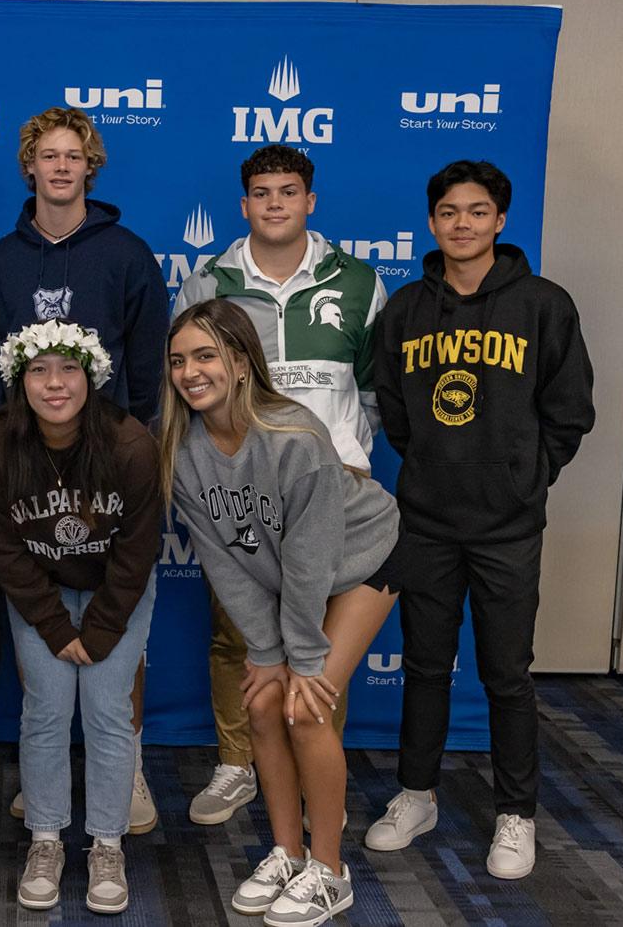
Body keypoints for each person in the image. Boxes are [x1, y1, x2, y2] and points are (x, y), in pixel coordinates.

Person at [365, 160, 594, 880]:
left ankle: (516, 813)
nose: (462, 223)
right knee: (426, 665)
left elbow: (570, 411)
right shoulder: (404, 311)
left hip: (508, 526)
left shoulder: (543, 305)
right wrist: (435, 467)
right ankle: (416, 793)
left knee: (506, 672)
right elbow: (394, 413)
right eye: (448, 212)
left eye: (477, 210)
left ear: (500, 219)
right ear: (431, 223)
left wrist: (524, 477)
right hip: (428, 520)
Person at [162, 299, 401, 926]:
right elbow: (224, 564)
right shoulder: (185, 453)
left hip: (363, 560)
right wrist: (265, 656)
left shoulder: (294, 436)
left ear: (241, 363)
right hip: (288, 578)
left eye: (206, 355)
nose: (191, 371)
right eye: (179, 359)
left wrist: (297, 658)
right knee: (261, 703)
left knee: (304, 704)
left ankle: (330, 871)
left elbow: (311, 560)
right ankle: (287, 853)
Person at [173, 144, 387, 826]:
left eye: (287, 191)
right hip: (240, 488)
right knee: (239, 630)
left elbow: (376, 388)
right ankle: (238, 766)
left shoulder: (356, 280)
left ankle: (314, 766)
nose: (274, 203)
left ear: (309, 200)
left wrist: (344, 454)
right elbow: (188, 380)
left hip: (330, 485)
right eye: (261, 192)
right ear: (244, 205)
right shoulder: (210, 278)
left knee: (317, 643)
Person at [0, 106, 169, 830]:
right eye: (47, 155)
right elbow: (1, 367)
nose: (60, 167)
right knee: (38, 626)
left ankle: (131, 766)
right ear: (29, 166)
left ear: (91, 166)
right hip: (31, 462)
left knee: (123, 626)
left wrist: (125, 443)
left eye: (73, 155)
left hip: (108, 465)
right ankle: (45, 772)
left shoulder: (128, 253)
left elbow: (146, 373)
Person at [0, 321, 161, 915]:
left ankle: (107, 843)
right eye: (38, 371)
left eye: (69, 369)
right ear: (17, 381)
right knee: (47, 709)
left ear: (92, 377)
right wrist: (55, 627)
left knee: (106, 710)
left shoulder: (129, 443)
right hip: (41, 590)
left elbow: (138, 549)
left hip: (114, 589)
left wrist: (100, 630)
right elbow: (3, 549)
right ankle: (47, 839)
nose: (55, 384)